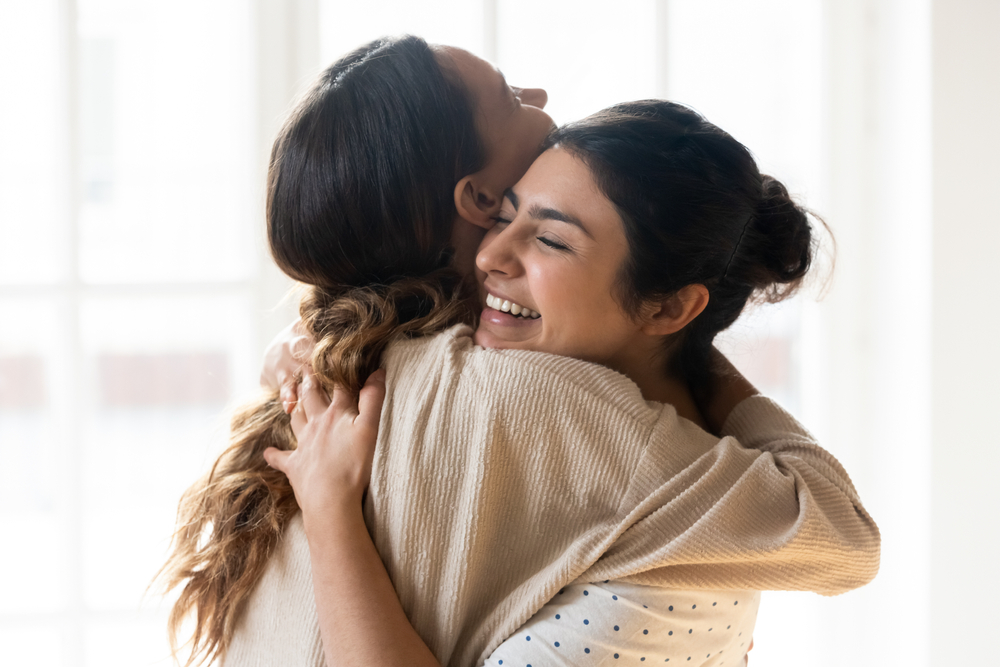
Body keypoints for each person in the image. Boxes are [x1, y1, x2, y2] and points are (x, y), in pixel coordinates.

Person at [157, 35, 878, 667]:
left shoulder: (340, 363)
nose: (540, 97)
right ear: (476, 200)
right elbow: (841, 537)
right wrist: (689, 342)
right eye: (507, 93)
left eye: (550, 233)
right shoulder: (533, 398)